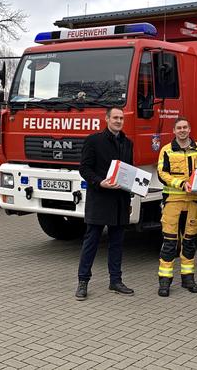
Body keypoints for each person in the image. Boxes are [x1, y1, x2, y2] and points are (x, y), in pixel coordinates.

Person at [75, 107, 134, 300]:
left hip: (120, 201)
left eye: (121, 118)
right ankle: (83, 282)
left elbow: (128, 171)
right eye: (115, 118)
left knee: (117, 243)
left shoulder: (127, 143)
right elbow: (84, 168)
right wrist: (99, 182)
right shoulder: (94, 140)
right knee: (91, 242)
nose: (118, 121)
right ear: (107, 119)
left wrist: (131, 197)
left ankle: (115, 281)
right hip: (100, 198)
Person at [156, 116, 197, 297]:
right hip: (173, 201)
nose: (182, 130)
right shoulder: (166, 150)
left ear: (189, 130)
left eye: (185, 127)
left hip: (194, 202)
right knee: (169, 243)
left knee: (189, 242)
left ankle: (188, 279)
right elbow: (161, 173)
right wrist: (180, 184)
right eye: (179, 128)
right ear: (174, 131)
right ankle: (164, 282)